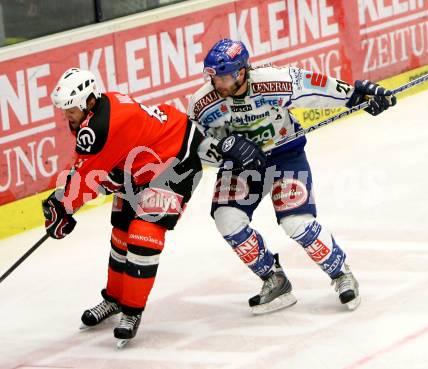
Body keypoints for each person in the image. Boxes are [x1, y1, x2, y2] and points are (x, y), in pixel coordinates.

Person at [188, 39, 396, 314]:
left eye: (224, 77)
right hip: (239, 164)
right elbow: (192, 142)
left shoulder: (274, 81)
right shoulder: (202, 102)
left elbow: (316, 88)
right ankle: (274, 279)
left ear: (241, 72)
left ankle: (340, 272)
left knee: (295, 221)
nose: (218, 84)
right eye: (214, 77)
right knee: (226, 219)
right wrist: (224, 150)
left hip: (284, 153)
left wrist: (357, 96)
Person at [43, 67, 203, 347]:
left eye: (70, 110)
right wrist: (64, 204)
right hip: (141, 168)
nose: (66, 116)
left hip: (176, 161)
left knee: (144, 234)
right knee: (122, 232)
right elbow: (94, 170)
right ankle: (114, 300)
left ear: (89, 102)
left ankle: (131, 310)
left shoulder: (100, 126)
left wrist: (62, 207)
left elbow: (84, 179)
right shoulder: (99, 111)